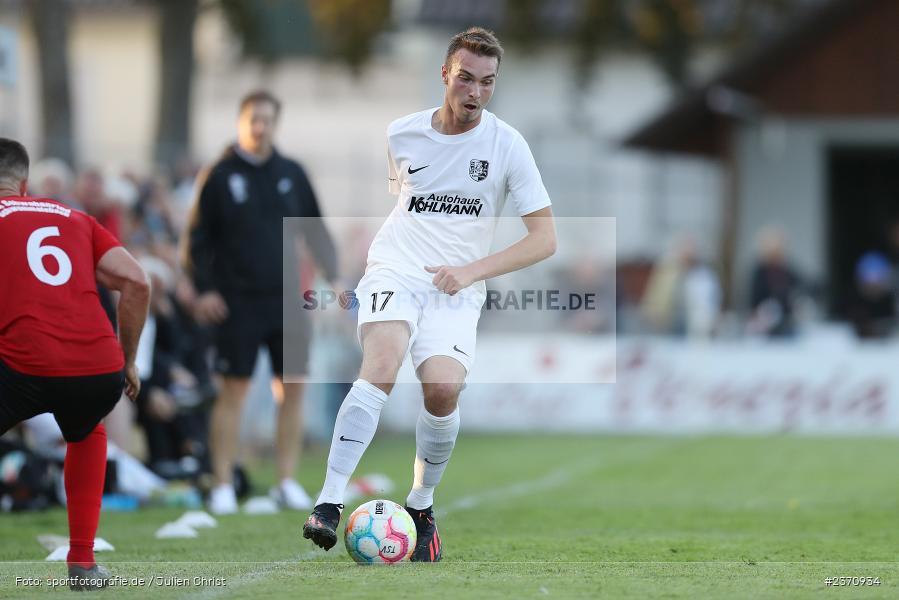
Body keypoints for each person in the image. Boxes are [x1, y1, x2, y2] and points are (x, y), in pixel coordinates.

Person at [302, 27, 557, 562]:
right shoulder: (402, 134)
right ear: (446, 74)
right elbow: (408, 207)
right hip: (396, 267)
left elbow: (545, 239)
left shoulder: (509, 146)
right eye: (466, 78)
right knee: (383, 362)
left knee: (442, 390)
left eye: (487, 82)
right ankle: (327, 501)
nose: (476, 92)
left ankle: (420, 505)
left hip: (458, 287)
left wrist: (470, 271)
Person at [0, 138, 150, 589]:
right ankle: (82, 563)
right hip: (97, 367)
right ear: (24, 184)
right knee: (86, 430)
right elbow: (137, 281)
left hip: (24, 363)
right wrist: (128, 361)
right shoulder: (74, 216)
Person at [184, 90, 338, 515]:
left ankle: (286, 481)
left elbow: (316, 231)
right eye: (253, 119)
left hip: (289, 301)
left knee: (292, 389)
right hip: (238, 302)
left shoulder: (291, 172)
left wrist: (335, 278)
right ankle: (221, 485)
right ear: (240, 121)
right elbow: (196, 241)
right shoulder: (218, 175)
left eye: (267, 119)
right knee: (233, 389)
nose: (260, 127)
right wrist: (206, 289)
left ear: (276, 123)